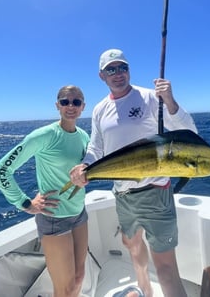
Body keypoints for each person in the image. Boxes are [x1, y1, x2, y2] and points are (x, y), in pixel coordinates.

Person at [69, 49, 197, 297]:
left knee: (166, 267)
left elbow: (188, 134)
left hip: (155, 193)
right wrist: (85, 165)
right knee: (133, 246)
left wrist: (170, 101)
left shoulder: (151, 97)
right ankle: (145, 291)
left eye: (122, 68)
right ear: (101, 76)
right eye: (111, 69)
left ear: (128, 70)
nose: (118, 74)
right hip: (122, 194)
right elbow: (96, 148)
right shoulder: (99, 109)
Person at [0, 85, 90, 297]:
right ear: (57, 106)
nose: (70, 106)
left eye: (76, 102)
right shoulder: (44, 135)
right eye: (65, 102)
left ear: (83, 107)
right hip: (54, 219)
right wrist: (25, 203)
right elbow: (0, 171)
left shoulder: (83, 136)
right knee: (65, 289)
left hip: (80, 213)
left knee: (80, 278)